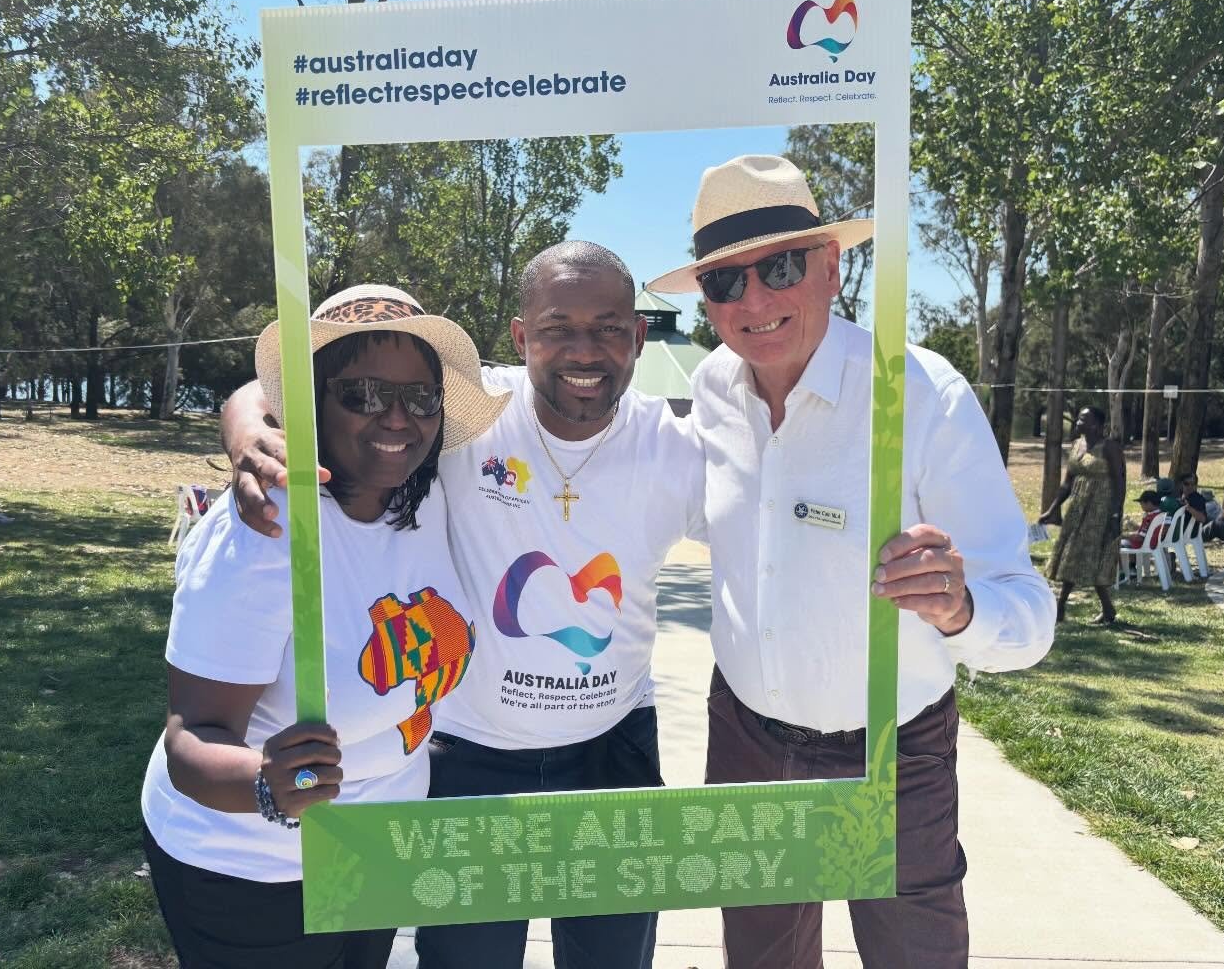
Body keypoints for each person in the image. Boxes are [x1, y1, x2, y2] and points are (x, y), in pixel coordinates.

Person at [221, 243, 707, 969]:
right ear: (520, 338)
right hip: (467, 755)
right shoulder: (463, 416)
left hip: (613, 749)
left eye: (608, 327)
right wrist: (246, 432)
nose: (584, 349)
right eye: (557, 327)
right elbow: (285, 387)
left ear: (638, 335)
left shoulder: (680, 449)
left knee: (614, 959)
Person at [646, 154, 1055, 969]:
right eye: (726, 282)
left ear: (832, 267)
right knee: (762, 960)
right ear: (706, 302)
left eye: (782, 267)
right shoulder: (713, 394)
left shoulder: (917, 394)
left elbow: (1031, 616)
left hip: (893, 753)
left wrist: (960, 608)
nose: (755, 301)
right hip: (746, 738)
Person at [140, 284, 509, 967]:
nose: (397, 418)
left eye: (421, 398)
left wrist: (244, 413)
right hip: (249, 869)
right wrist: (264, 781)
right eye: (363, 394)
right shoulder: (268, 529)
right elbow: (191, 736)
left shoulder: (428, 494)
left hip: (373, 849)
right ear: (313, 401)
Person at [1036, 407, 1126, 625]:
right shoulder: (1077, 446)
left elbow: (1120, 481)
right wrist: (1052, 510)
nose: (1077, 422)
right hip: (1078, 508)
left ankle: (1074, 608)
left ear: (1096, 424)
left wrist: (1116, 513)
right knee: (1071, 555)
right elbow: (1067, 483)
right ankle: (1070, 607)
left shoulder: (1110, 447)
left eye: (1083, 419)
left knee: (1094, 557)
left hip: (1101, 510)